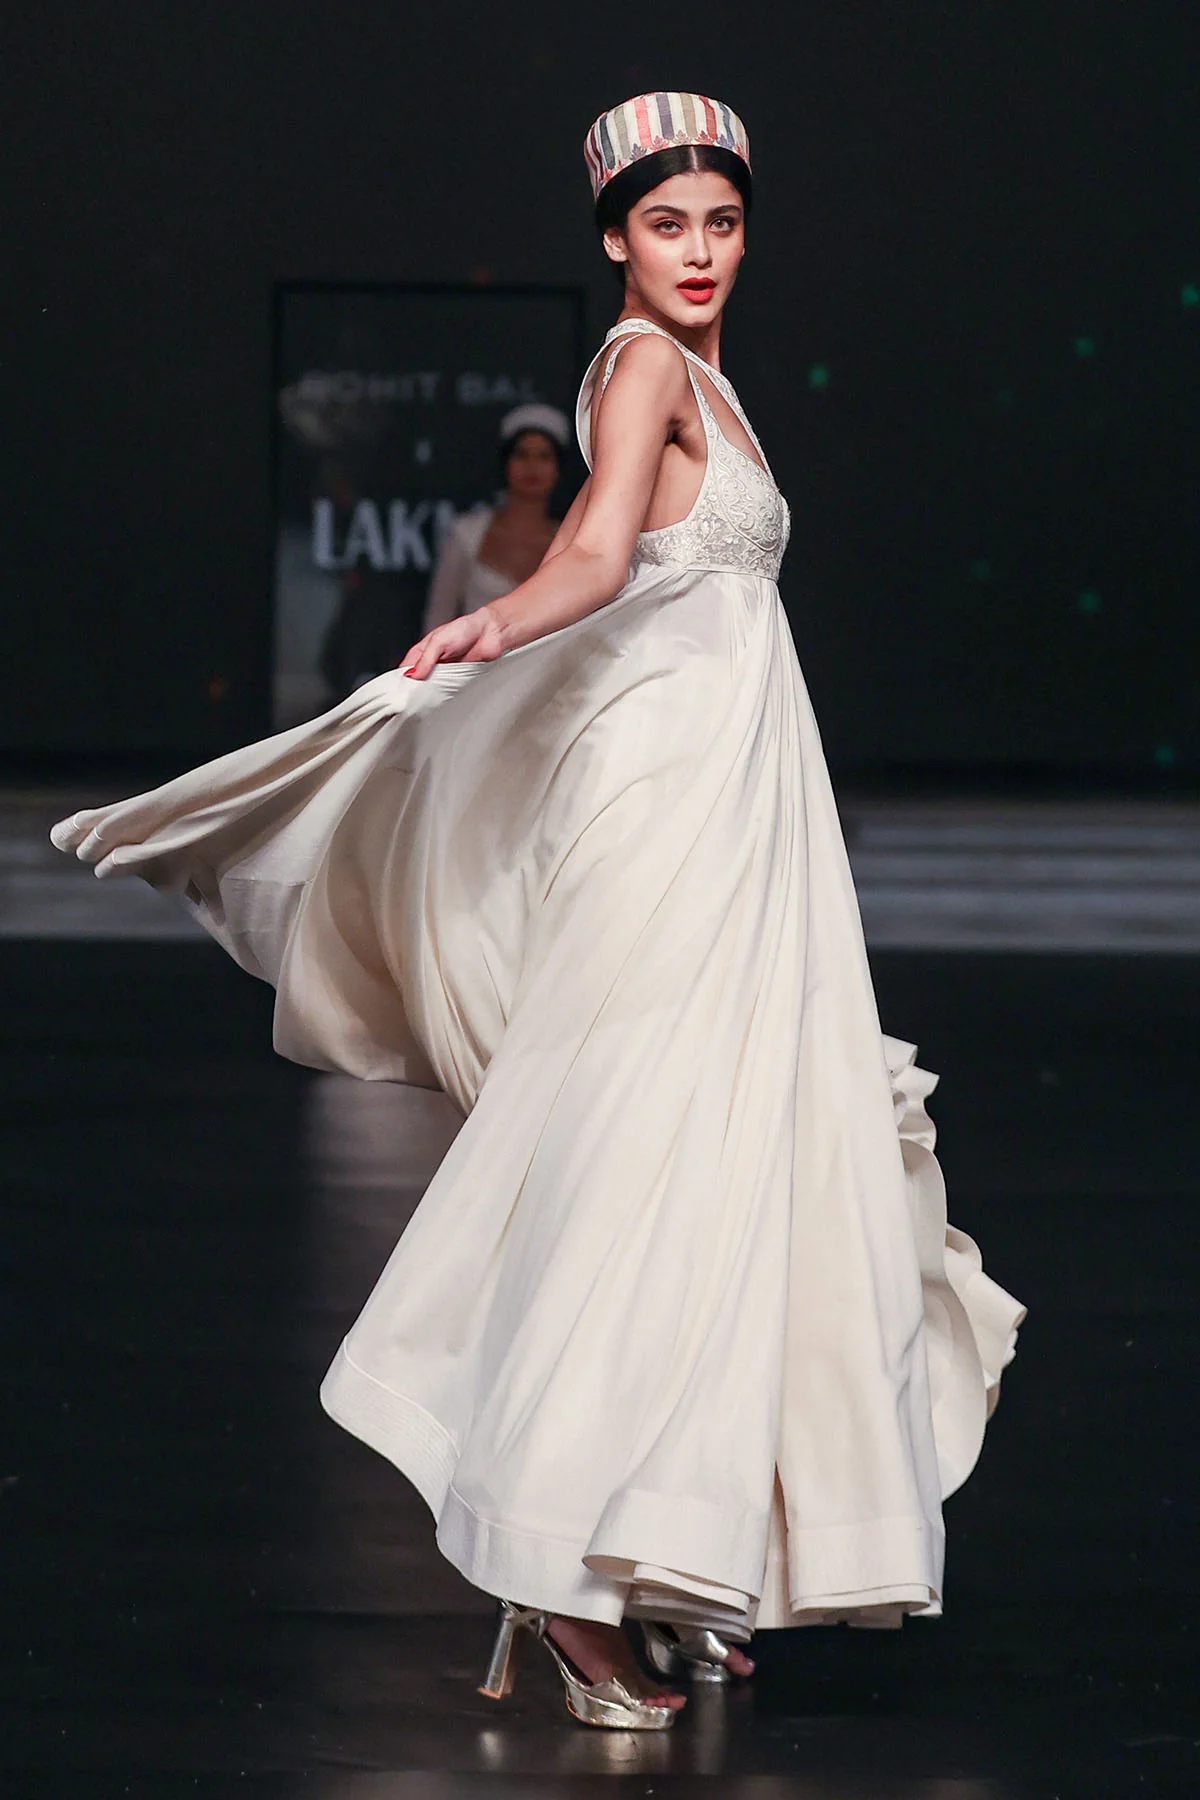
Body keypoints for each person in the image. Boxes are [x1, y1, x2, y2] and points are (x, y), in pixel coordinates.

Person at [51, 92, 1024, 1733]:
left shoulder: (704, 373)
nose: (699, 251)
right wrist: (487, 631)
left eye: (722, 222)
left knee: (720, 1156)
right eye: (667, 224)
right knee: (655, 1147)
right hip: (675, 801)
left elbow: (627, 558)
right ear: (613, 238)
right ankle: (567, 1576)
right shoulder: (642, 366)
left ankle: (665, 1559)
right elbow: (594, 553)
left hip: (733, 793)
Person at [422, 404, 569, 633]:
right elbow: (438, 619)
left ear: (558, 468)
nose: (532, 467)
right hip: (477, 656)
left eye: (544, 456)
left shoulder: (571, 540)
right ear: (506, 463)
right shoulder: (467, 533)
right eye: (521, 454)